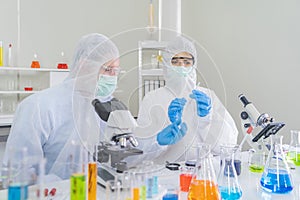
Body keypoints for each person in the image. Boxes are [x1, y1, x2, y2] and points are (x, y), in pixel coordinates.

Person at [2, 33, 120, 180]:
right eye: (108, 69)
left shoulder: (108, 105)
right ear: (83, 65)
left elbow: (130, 151)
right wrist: (56, 185)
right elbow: (16, 172)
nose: (112, 77)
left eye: (116, 71)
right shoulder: (39, 107)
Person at [134, 35, 239, 164]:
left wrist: (207, 119)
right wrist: (158, 141)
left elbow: (228, 145)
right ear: (166, 64)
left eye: (186, 62)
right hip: (165, 174)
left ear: (194, 65)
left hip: (202, 173)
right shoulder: (152, 98)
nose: (181, 67)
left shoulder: (208, 97)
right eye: (175, 61)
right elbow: (140, 148)